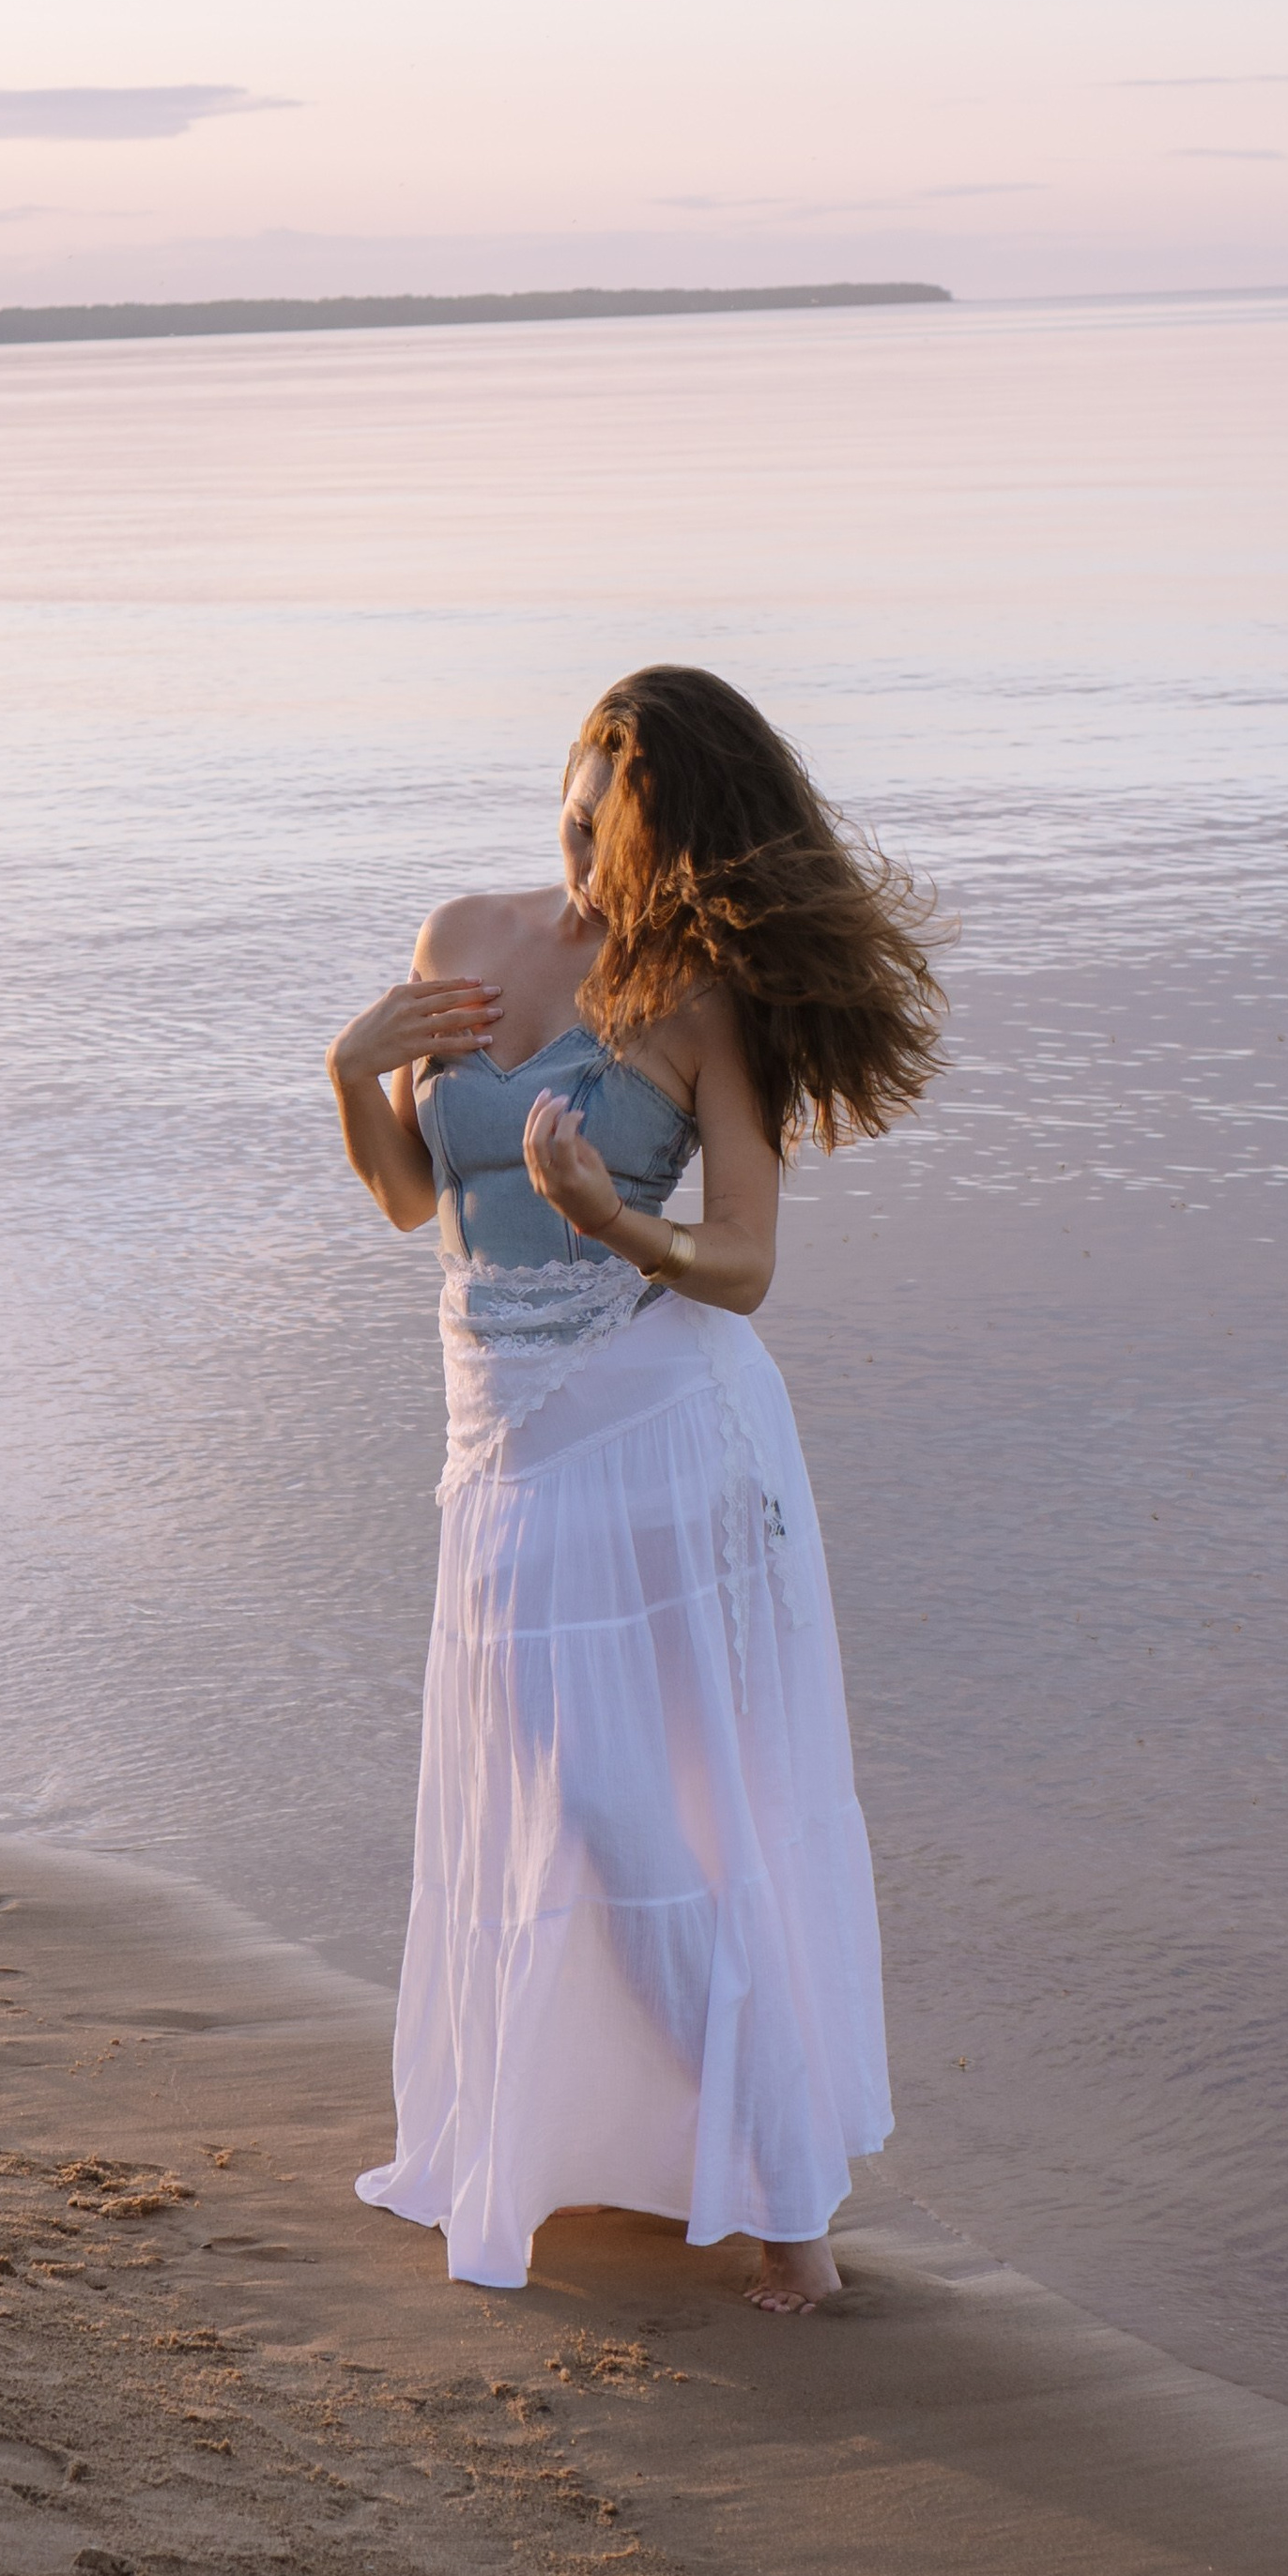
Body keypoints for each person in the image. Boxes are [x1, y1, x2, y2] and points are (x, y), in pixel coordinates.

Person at [328, 665, 943, 2312]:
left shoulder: (693, 1000)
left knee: (650, 1818)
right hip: (501, 1451)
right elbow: (413, 1203)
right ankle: (706, 2165)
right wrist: (347, 1072)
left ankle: (790, 2210)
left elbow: (739, 1262)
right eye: (587, 810)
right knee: (591, 1815)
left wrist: (615, 1220)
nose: (594, 853)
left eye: (631, 833)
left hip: (663, 1442)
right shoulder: (461, 935)